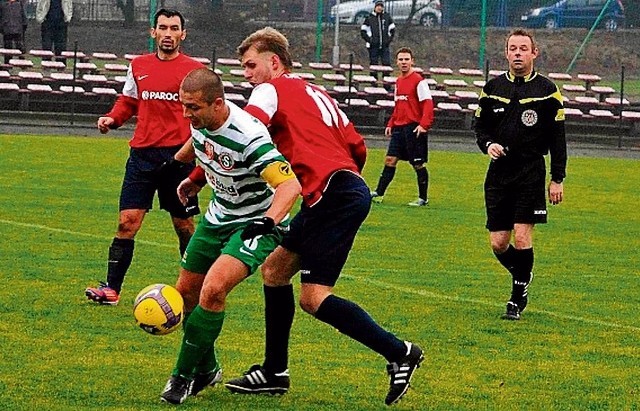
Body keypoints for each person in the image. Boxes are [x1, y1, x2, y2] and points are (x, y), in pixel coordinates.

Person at [224, 27, 423, 407]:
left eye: (251, 65)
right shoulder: (317, 92)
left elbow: (246, 132)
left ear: (274, 61)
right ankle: (274, 372)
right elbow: (357, 146)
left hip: (333, 193)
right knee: (275, 269)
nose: (246, 74)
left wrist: (210, 170)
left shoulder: (270, 89)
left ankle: (400, 352)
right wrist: (342, 181)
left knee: (314, 298)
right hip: (339, 189)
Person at [159, 68, 301, 405]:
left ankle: (181, 377)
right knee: (186, 295)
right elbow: (204, 147)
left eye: (192, 107)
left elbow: (290, 184)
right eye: (183, 106)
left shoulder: (249, 136)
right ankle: (207, 369)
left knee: (213, 289)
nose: (185, 114)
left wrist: (268, 221)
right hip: (218, 215)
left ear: (217, 104)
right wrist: (192, 179)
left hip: (255, 222)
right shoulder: (202, 123)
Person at [85, 9, 205, 306]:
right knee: (127, 222)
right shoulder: (138, 65)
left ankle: (198, 287)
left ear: (182, 34)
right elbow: (128, 100)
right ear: (153, 32)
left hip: (178, 157)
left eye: (174, 28)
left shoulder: (194, 71)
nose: (167, 33)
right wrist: (112, 119)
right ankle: (111, 289)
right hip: (142, 156)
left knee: (184, 226)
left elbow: (204, 113)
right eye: (162, 27)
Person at [474, 28, 567, 321]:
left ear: (534, 53)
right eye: (512, 48)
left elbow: (558, 140)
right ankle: (524, 274)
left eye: (523, 49)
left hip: (530, 171)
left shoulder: (548, 91)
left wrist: (557, 178)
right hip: (499, 173)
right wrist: (488, 145)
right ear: (506, 53)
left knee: (524, 235)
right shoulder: (491, 89)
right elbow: (480, 128)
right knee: (498, 243)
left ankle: (516, 299)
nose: (517, 53)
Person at [370, 47, 434, 207]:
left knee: (417, 163)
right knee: (390, 160)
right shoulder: (398, 82)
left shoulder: (419, 81)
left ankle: (423, 198)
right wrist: (391, 123)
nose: (404, 62)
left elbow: (428, 104)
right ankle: (379, 193)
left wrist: (423, 125)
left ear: (412, 61)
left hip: (414, 128)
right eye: (401, 60)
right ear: (397, 62)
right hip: (399, 128)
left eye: (406, 59)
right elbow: (398, 105)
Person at [360, 0, 395, 80]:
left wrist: (388, 41)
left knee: (386, 64)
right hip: (373, 47)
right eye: (378, 6)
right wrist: (370, 41)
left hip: (384, 46)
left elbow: (392, 30)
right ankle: (373, 83)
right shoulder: (369, 18)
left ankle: (387, 85)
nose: (379, 8)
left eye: (381, 6)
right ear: (375, 7)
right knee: (373, 65)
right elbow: (363, 31)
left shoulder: (387, 17)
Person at [35, 0, 72, 65]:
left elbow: (69, 7)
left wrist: (68, 18)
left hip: (61, 23)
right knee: (46, 46)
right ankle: (46, 64)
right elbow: (39, 6)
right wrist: (40, 18)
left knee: (61, 46)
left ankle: (61, 65)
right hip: (47, 22)